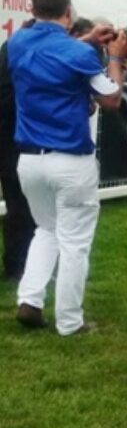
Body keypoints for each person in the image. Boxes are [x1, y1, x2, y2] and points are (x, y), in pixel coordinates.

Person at [7, 0, 127, 335]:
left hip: (29, 159)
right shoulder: (78, 54)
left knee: (46, 230)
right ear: (69, 11)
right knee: (75, 242)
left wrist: (88, 40)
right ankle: (70, 321)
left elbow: (51, 49)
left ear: (31, 9)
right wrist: (116, 57)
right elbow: (112, 99)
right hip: (70, 159)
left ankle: (29, 299)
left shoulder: (17, 42)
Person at [0, 35, 36, 282]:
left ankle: (19, 264)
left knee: (20, 205)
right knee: (19, 205)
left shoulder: (11, 47)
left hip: (12, 135)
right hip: (13, 136)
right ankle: (17, 265)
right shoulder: (24, 51)